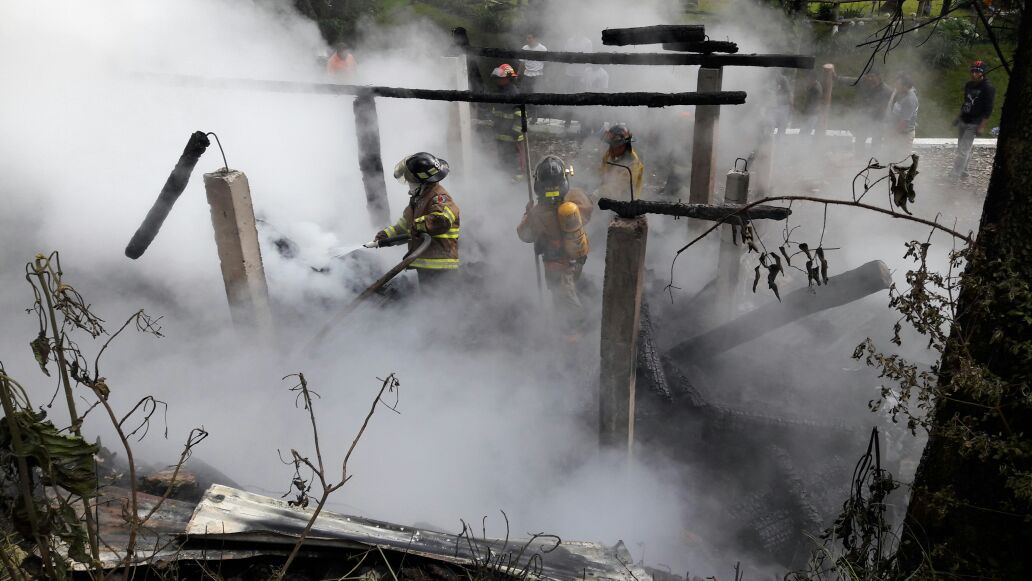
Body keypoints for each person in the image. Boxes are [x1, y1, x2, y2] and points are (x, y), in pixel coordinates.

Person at [517, 156, 593, 338]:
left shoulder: (538, 212)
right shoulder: (574, 201)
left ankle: (573, 337)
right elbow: (588, 213)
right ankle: (571, 327)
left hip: (555, 265)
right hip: (577, 259)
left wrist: (527, 214)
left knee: (564, 300)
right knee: (568, 291)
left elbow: (524, 235)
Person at [375, 152, 460, 291]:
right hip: (425, 264)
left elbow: (442, 220)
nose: (408, 184)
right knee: (429, 305)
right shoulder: (418, 199)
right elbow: (405, 225)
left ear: (423, 181)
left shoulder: (439, 197)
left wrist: (418, 225)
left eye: (411, 181)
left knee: (442, 305)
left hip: (441, 266)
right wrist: (387, 235)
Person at [831, 66, 894, 158]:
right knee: (860, 137)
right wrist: (836, 77)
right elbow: (849, 81)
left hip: (879, 118)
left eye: (872, 76)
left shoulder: (887, 91)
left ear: (879, 77)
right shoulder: (863, 82)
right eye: (868, 76)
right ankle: (859, 157)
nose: (870, 79)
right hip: (864, 116)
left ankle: (874, 159)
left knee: (876, 140)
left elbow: (893, 105)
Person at [951, 60, 996, 178]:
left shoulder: (988, 88)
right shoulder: (969, 85)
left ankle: (955, 174)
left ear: (983, 73)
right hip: (964, 119)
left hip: (974, 122)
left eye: (977, 71)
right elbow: (966, 102)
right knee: (962, 147)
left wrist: (981, 126)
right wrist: (958, 117)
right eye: (972, 71)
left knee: (963, 149)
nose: (973, 74)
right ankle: (964, 171)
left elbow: (989, 109)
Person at [490, 64, 528, 180]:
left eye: (500, 78)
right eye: (497, 78)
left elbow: (520, 114)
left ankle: (517, 184)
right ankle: (505, 181)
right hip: (502, 135)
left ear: (508, 78)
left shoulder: (513, 93)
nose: (498, 80)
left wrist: (516, 132)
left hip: (513, 137)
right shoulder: (500, 92)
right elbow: (496, 112)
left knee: (515, 162)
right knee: (503, 160)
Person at [595, 124, 645, 200]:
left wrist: (598, 193)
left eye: (614, 146)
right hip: (607, 198)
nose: (611, 149)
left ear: (623, 146)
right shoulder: (609, 154)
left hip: (628, 202)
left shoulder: (633, 163)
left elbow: (620, 187)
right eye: (610, 145)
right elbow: (602, 172)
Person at [887, 72, 919, 161]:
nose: (895, 86)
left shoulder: (909, 99)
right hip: (897, 131)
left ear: (905, 86)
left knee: (902, 160)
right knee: (893, 157)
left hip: (904, 134)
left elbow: (904, 122)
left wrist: (893, 134)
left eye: (897, 84)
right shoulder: (900, 92)